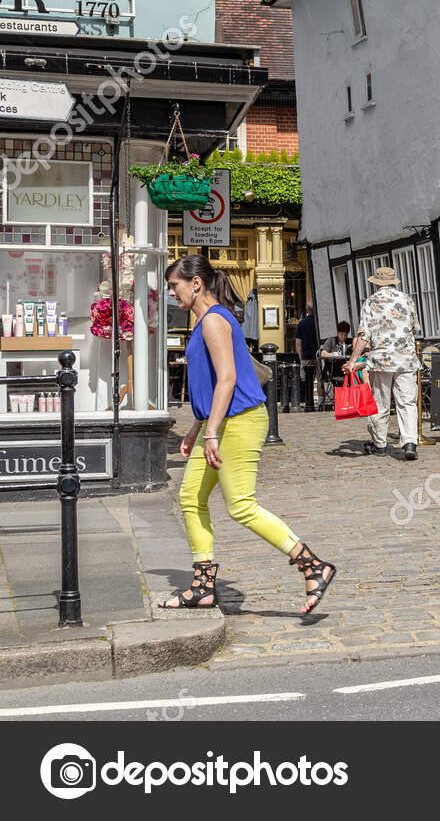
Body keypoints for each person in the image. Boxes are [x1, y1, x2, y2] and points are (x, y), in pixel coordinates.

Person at [158, 254, 336, 615]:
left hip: (238, 421)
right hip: (220, 421)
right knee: (191, 497)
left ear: (195, 283)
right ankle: (203, 586)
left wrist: (210, 433)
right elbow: (211, 384)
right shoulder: (205, 320)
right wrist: (197, 427)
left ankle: (312, 565)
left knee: (240, 505)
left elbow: (228, 379)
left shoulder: (213, 322)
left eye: (174, 286)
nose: (172, 294)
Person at [348, 266, 422, 460]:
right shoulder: (407, 299)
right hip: (406, 359)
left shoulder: (371, 302)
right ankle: (410, 443)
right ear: (393, 281)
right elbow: (415, 328)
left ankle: (380, 445)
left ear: (376, 283)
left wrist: (353, 360)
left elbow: (363, 335)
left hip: (381, 360)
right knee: (407, 402)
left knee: (380, 402)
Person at [317, 320, 353, 408]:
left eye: (345, 335)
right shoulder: (331, 341)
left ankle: (350, 400)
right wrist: (333, 354)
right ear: (337, 333)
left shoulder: (350, 342)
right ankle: (341, 400)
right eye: (341, 335)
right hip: (333, 369)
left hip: (347, 368)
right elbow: (322, 353)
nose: (343, 337)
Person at [294, 303, 319, 410]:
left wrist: (300, 356)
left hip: (305, 355)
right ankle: (321, 401)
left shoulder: (302, 323)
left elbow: (298, 342)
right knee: (319, 379)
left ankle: (305, 401)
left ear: (307, 310)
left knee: (304, 379)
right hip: (317, 355)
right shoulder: (318, 323)